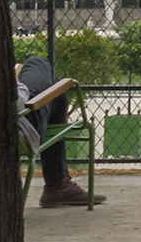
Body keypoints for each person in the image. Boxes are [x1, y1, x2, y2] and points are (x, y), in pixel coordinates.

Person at [17, 55, 105, 207]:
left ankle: (58, 185)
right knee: (38, 63)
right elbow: (17, 103)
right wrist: (17, 85)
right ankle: (58, 184)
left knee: (56, 95)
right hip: (19, 126)